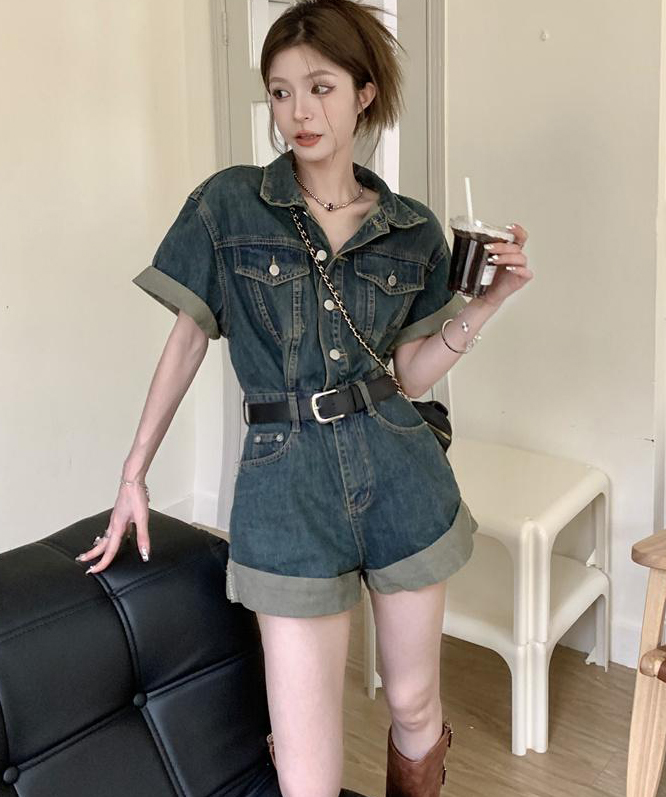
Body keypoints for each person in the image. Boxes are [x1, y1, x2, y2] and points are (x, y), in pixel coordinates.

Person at [74, 1, 532, 795]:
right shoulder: (228, 204)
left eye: (320, 87)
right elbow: (188, 339)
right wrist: (134, 472)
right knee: (306, 762)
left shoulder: (413, 230)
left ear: (363, 93)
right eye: (281, 93)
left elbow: (411, 374)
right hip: (285, 486)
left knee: (415, 703)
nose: (299, 112)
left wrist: (488, 302)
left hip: (402, 472)